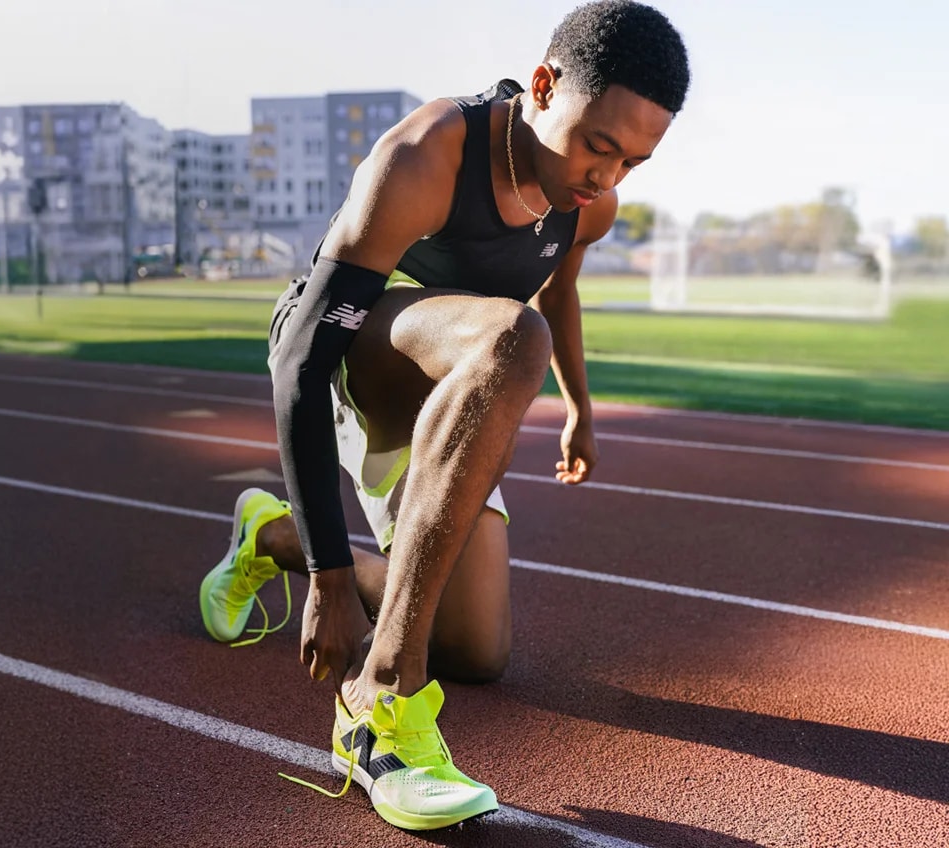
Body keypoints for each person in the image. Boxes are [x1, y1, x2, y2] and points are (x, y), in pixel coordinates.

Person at [199, 0, 690, 831]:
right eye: (599, 146)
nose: (609, 178)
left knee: (478, 653)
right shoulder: (425, 158)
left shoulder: (589, 202)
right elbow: (300, 358)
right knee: (509, 334)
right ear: (542, 85)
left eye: (635, 162)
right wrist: (328, 579)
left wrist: (581, 408)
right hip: (357, 357)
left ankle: (270, 537)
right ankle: (380, 702)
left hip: (462, 390)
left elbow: (560, 289)